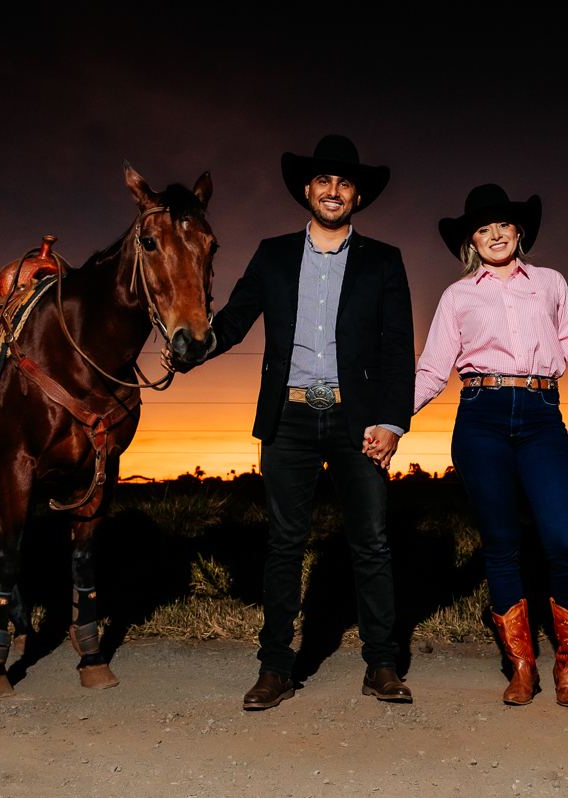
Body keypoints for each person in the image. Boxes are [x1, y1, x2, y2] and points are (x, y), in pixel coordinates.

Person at [197, 134, 415, 710]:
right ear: (307, 190)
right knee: (284, 545)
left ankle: (383, 665)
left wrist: (392, 423)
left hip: (358, 418)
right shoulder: (272, 254)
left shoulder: (384, 260)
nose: (333, 190)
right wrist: (195, 346)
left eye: (344, 182)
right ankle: (275, 669)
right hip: (288, 417)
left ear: (358, 197)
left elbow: (397, 349)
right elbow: (237, 318)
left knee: (370, 543)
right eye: (324, 181)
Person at [409, 184, 568, 708]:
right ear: (471, 241)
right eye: (482, 227)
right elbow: (431, 371)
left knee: (563, 540)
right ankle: (523, 669)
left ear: (519, 231)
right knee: (501, 546)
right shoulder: (458, 297)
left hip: (543, 415)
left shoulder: (549, 283)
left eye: (503, 224)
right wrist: (388, 418)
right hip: (482, 416)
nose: (495, 233)